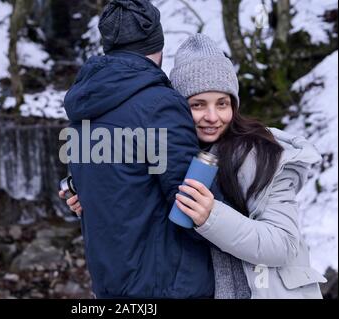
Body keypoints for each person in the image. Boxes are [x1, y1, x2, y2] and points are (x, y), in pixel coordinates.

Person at [62, 33, 328, 299]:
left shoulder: (263, 154)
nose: (212, 117)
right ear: (178, 107)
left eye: (222, 104)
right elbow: (144, 220)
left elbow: (284, 244)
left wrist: (211, 216)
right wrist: (90, 197)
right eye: (198, 105)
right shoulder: (172, 154)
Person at [62, 0, 218, 299]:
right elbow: (190, 203)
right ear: (157, 44)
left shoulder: (82, 108)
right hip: (169, 286)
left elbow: (99, 190)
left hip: (110, 284)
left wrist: (71, 189)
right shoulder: (160, 105)